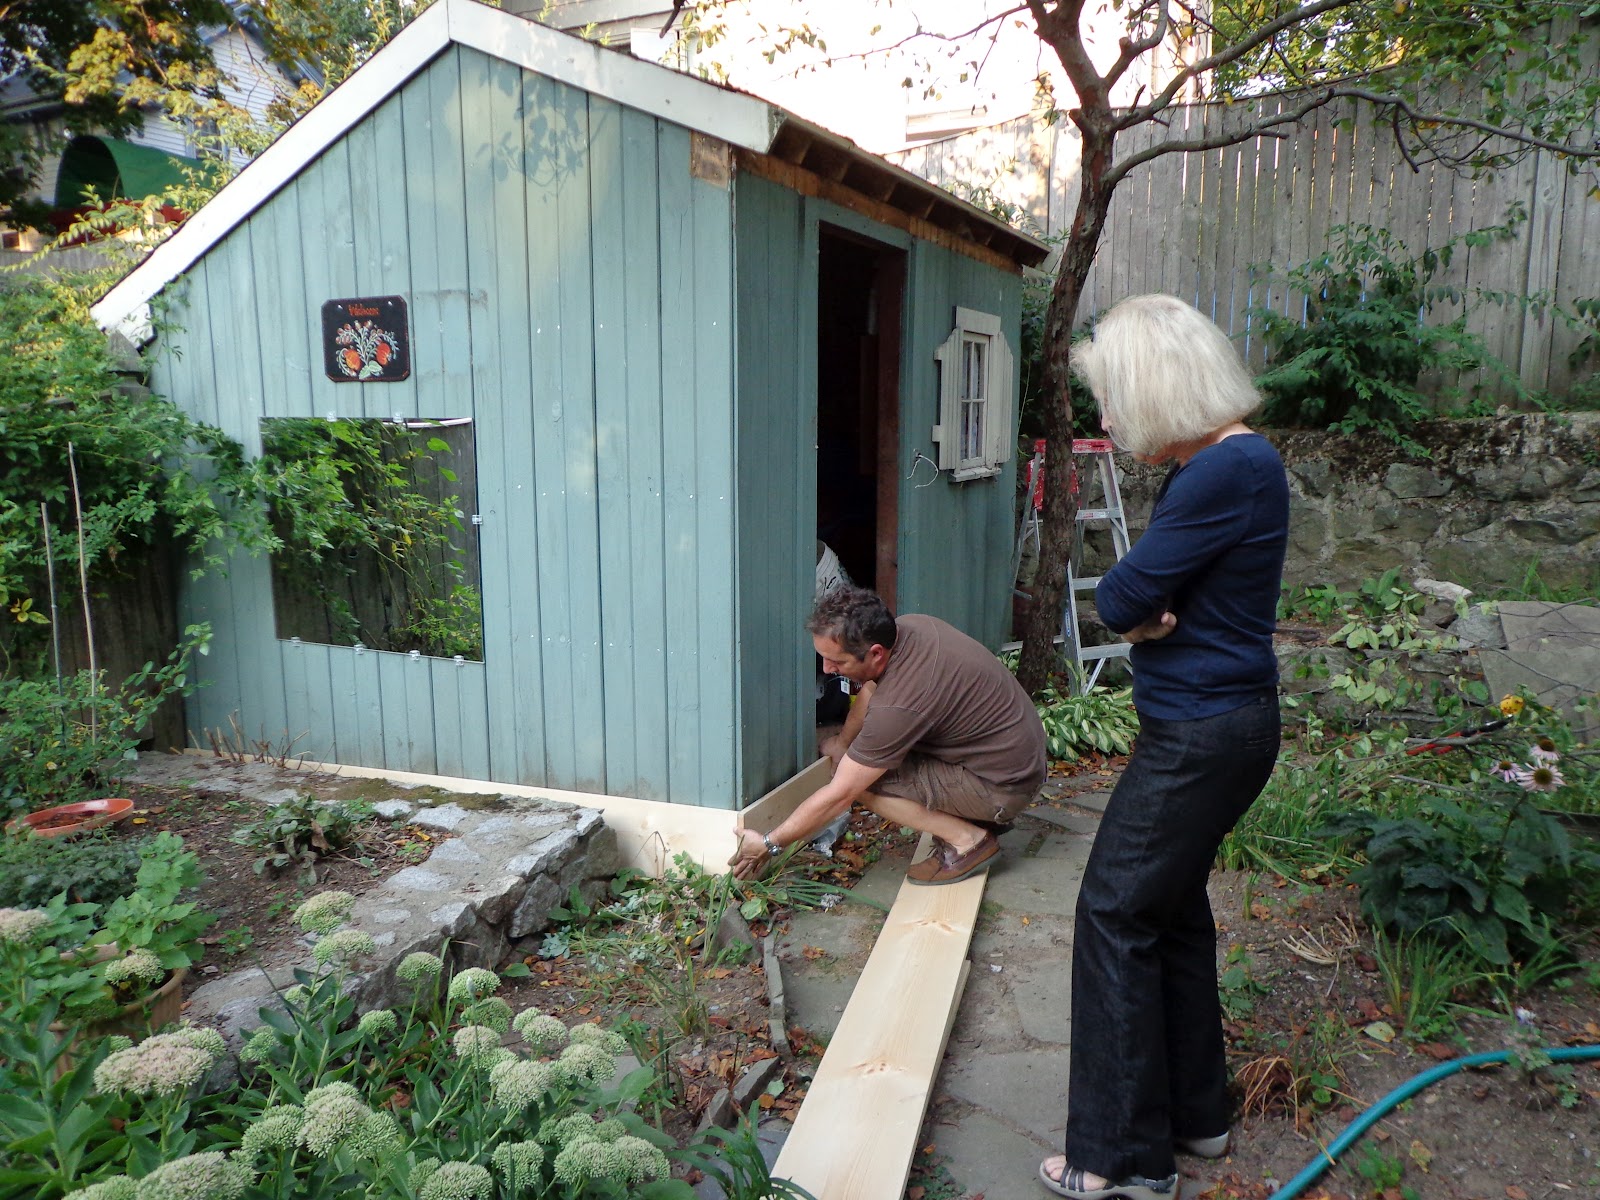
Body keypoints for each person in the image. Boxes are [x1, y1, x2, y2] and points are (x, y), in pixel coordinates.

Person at [1037, 294, 1288, 1200]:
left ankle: (1120, 1162)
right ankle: (1198, 1116)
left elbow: (1118, 598)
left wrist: (1144, 615)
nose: (1105, 417)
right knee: (1172, 912)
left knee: (1111, 912)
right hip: (1222, 727)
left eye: (1111, 398)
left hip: (1199, 736)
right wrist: (1151, 612)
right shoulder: (1237, 465)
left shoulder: (1223, 472)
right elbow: (1146, 600)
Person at [728, 586, 1047, 886]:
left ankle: (970, 842)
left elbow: (841, 793)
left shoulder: (900, 706)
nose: (826, 669)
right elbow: (869, 691)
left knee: (865, 784)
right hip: (1012, 757)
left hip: (1004, 786)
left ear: (876, 653)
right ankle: (973, 818)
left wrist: (770, 843)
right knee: (860, 763)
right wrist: (841, 745)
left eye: (837, 661)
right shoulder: (910, 628)